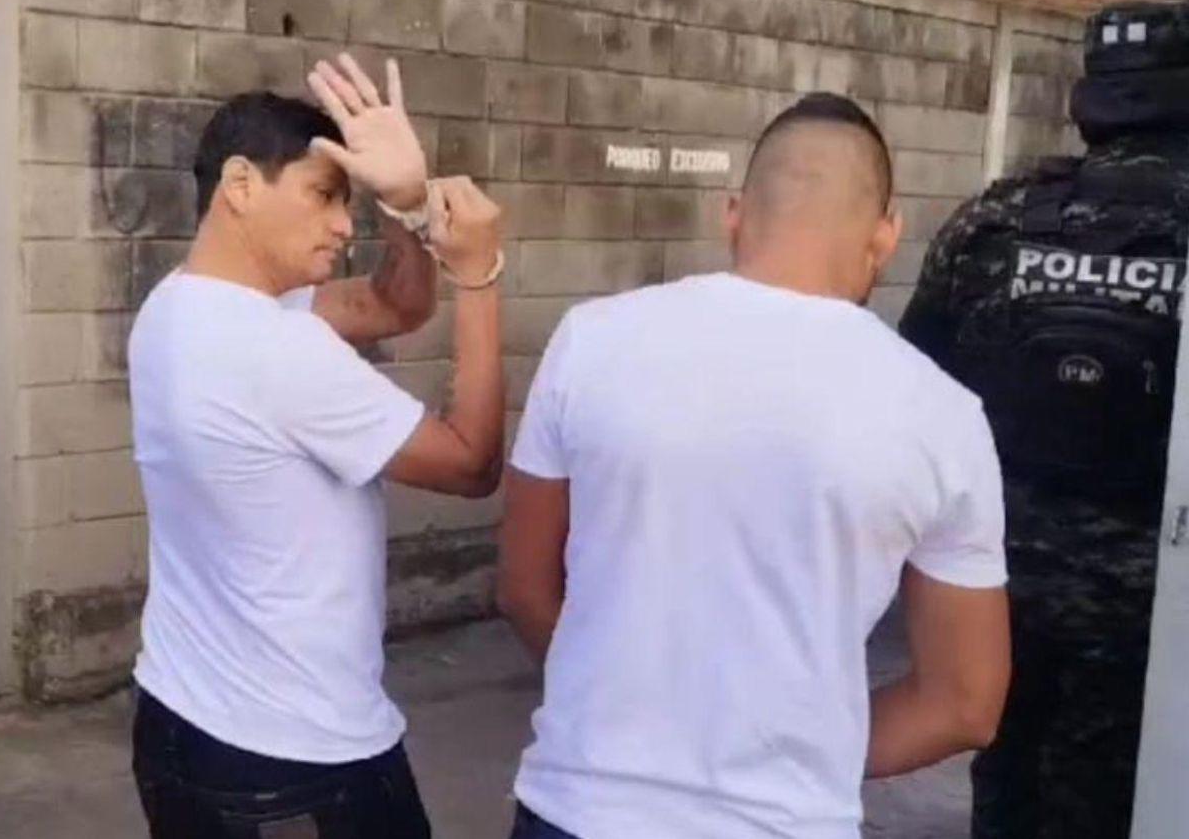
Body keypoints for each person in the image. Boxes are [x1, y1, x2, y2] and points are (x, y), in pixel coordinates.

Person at [496, 93, 1012, 839]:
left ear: (733, 214)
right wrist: (800, 759)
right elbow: (965, 703)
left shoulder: (591, 339)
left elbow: (523, 587)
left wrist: (621, 718)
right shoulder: (944, 414)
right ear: (887, 234)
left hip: (576, 810)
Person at [128, 53, 506, 838]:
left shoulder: (177, 304)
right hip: (297, 757)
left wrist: (407, 206)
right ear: (240, 184)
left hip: (177, 719)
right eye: (323, 196)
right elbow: (472, 463)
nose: (342, 224)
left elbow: (394, 304)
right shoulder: (277, 351)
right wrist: (478, 274)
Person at [900, 0, 1189, 839]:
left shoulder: (995, 217)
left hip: (995, 586)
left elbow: (912, 388)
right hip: (1152, 614)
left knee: (1005, 777)